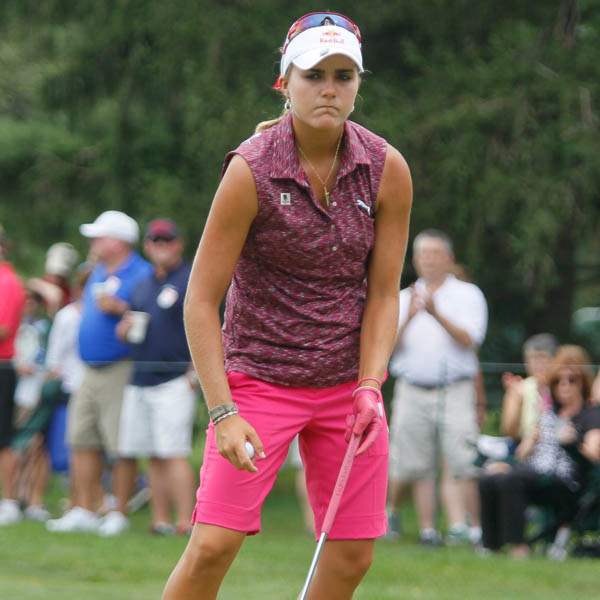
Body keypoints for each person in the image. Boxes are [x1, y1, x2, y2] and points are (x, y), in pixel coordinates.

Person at [162, 11, 412, 599]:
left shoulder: (386, 169)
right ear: (285, 82)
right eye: (314, 74)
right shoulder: (251, 168)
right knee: (213, 546)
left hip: (346, 387)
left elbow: (383, 294)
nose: (329, 88)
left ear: (358, 84)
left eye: (344, 75)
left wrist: (371, 385)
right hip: (257, 382)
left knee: (351, 557)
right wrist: (222, 412)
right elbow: (200, 299)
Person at [46, 210, 152, 534]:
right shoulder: (97, 271)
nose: (93, 241)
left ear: (119, 241)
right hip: (88, 368)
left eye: (100, 236)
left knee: (120, 442)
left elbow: (149, 316)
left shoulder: (140, 272)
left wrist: (121, 309)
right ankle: (84, 508)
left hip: (120, 366)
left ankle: (117, 511)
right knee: (82, 440)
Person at [387, 229, 488, 546]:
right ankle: (429, 530)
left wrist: (436, 313)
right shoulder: (402, 298)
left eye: (434, 253)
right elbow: (386, 347)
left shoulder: (468, 295)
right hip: (412, 388)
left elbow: (470, 340)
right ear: (414, 260)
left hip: (455, 388)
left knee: (462, 458)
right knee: (416, 463)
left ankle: (475, 529)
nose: (428, 260)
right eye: (422, 254)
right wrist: (412, 316)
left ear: (448, 258)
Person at [114, 219, 197, 536]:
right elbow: (133, 323)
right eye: (155, 241)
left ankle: (186, 520)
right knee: (153, 452)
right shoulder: (143, 284)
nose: (161, 246)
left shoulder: (189, 279)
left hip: (174, 378)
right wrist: (123, 329)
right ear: (147, 246)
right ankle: (160, 519)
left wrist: (195, 371)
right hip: (141, 377)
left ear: (178, 244)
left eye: (167, 240)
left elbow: (205, 324)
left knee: (174, 451)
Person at [479, 345, 600, 557]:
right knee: (490, 477)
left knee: (511, 479)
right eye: (558, 381)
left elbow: (594, 455)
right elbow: (522, 454)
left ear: (583, 383)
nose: (564, 386)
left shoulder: (590, 416)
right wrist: (514, 457)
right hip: (533, 470)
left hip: (566, 482)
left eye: (572, 380)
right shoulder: (547, 414)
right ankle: (491, 545)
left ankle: (519, 547)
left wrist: (574, 442)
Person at [0, 224, 27, 525]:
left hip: (2, 366)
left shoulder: (6, 281)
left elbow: (3, 328)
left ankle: (9, 501)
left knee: (3, 438)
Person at [501, 333, 558, 441]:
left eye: (542, 357)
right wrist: (518, 400)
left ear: (554, 360)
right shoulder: (518, 388)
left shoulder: (564, 386)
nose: (537, 363)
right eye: (532, 358)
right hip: (524, 449)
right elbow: (508, 432)